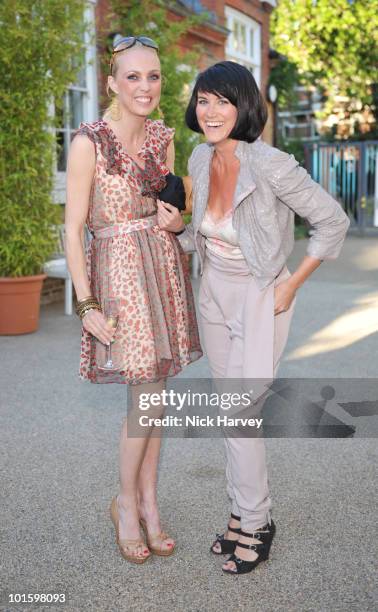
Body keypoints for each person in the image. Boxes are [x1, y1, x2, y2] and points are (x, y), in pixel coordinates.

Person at [158, 61, 350, 575]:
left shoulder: (271, 164)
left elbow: (333, 221)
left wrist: (290, 283)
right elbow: (202, 236)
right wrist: (178, 227)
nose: (211, 110)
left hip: (261, 295)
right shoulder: (200, 158)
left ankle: (257, 520)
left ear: (244, 106)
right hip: (214, 294)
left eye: (223, 100)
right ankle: (241, 513)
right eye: (204, 100)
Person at [65, 36, 202, 565]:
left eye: (154, 77)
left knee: (155, 395)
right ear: (112, 83)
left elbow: (171, 209)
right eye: (133, 77)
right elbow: (73, 230)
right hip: (119, 275)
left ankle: (146, 499)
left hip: (161, 271)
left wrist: (177, 220)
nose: (145, 87)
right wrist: (87, 304)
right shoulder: (88, 143)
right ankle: (126, 503)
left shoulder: (164, 138)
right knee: (144, 396)